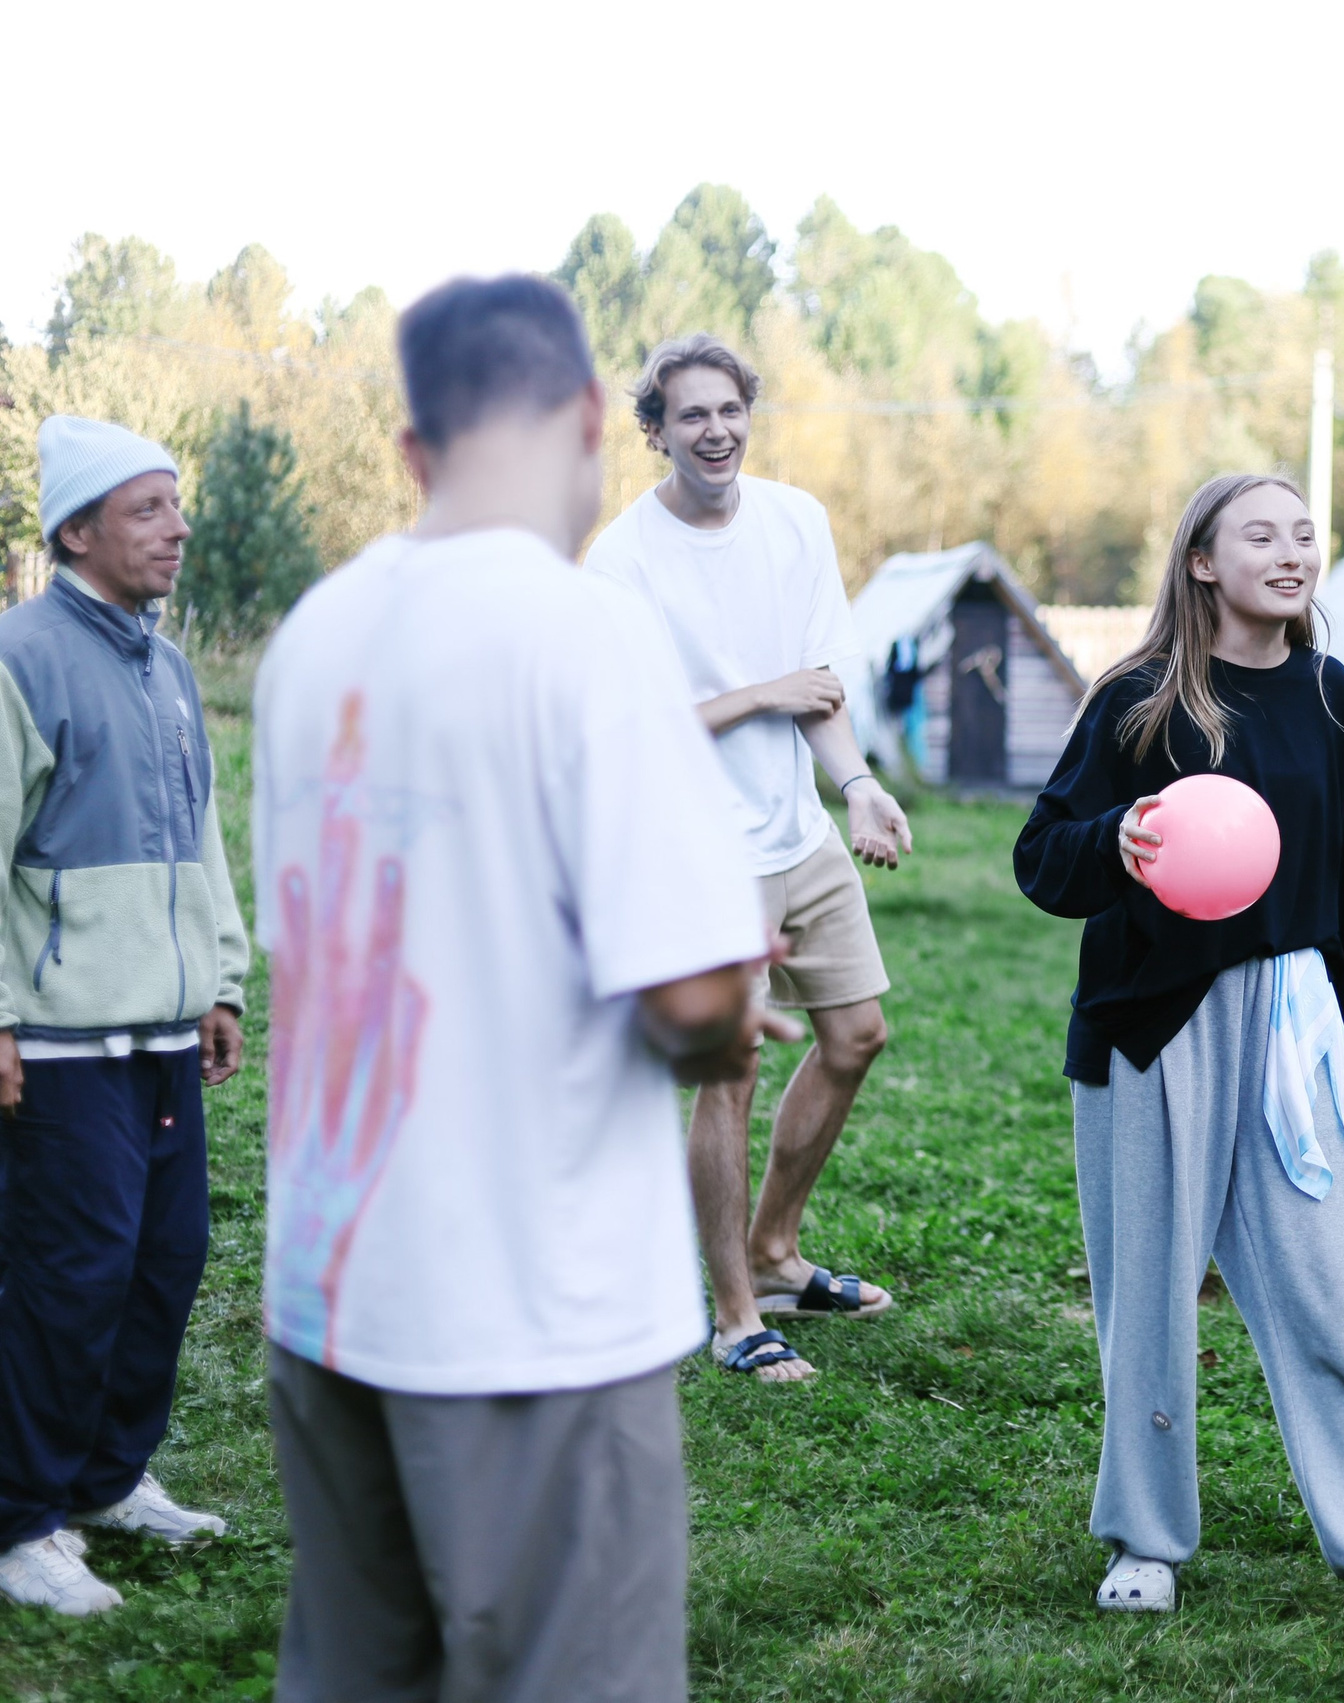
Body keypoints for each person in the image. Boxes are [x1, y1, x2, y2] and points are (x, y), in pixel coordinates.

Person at [255, 276, 783, 1702]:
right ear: (595, 420)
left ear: (413, 447)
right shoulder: (584, 631)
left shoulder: (312, 634)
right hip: (528, 1310)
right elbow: (686, 1002)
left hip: (330, 1290)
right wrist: (734, 994)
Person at [1015, 472, 1344, 1615]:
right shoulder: (1139, 695)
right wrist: (1122, 834)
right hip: (1153, 1024)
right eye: (1260, 534)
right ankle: (1145, 1541)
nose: (1292, 550)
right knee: (1150, 1293)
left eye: (1305, 533)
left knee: (1324, 1291)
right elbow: (1041, 857)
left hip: (1291, 1019)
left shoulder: (1327, 690)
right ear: (1203, 562)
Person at [585, 333, 909, 1383]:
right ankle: (734, 1315)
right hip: (696, 852)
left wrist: (856, 785)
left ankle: (774, 1251)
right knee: (729, 1073)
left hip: (800, 832)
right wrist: (760, 693)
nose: (715, 430)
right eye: (691, 415)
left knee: (856, 1034)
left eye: (730, 410)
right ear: (655, 431)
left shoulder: (796, 521)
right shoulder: (621, 559)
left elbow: (817, 683)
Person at [0, 416, 251, 1618]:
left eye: (177, 504)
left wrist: (222, 977)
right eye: (149, 507)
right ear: (79, 529)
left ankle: (106, 1481)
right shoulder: (23, 655)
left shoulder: (170, 665)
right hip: (56, 1040)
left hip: (160, 1032)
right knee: (70, 1272)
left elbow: (199, 836)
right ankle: (22, 1516)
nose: (179, 526)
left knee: (165, 1259)